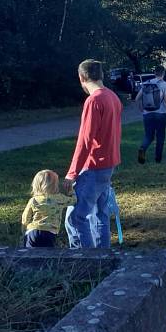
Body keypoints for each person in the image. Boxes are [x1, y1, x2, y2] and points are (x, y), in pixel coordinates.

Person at [65, 59, 122, 248]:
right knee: (100, 215)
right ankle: (103, 258)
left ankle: (85, 264)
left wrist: (72, 174)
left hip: (93, 166)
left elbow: (85, 141)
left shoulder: (94, 100)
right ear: (102, 75)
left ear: (81, 77)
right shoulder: (113, 97)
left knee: (76, 218)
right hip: (109, 164)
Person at [21, 169, 73, 248]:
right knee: (48, 255)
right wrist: (70, 191)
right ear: (55, 185)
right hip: (50, 233)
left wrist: (24, 230)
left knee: (28, 255)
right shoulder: (60, 198)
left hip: (32, 231)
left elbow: (25, 218)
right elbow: (74, 201)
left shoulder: (34, 200)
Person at [135, 66, 166, 164]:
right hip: (161, 114)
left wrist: (141, 109)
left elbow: (137, 98)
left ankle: (143, 148)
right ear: (163, 73)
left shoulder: (146, 83)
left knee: (148, 136)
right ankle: (158, 159)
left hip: (147, 114)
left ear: (154, 73)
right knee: (160, 136)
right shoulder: (165, 85)